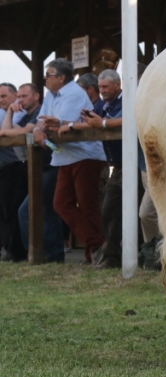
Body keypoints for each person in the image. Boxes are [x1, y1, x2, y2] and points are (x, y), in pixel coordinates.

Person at [32, 58, 108, 264]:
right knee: (62, 203)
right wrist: (38, 129)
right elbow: (42, 120)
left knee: (87, 205)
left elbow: (58, 126)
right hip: (65, 156)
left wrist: (43, 127)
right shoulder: (51, 94)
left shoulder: (73, 93)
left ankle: (95, 253)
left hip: (85, 155)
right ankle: (98, 247)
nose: (45, 79)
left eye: (49, 75)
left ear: (61, 78)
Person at [65, 69, 123, 268]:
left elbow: (125, 121)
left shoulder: (124, 102)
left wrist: (102, 123)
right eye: (100, 87)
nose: (102, 90)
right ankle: (112, 256)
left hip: (129, 163)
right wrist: (71, 125)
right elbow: (92, 124)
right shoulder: (106, 105)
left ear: (118, 85)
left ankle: (122, 254)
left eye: (106, 87)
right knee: (108, 210)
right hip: (114, 164)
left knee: (121, 210)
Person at [10, 84, 66, 262]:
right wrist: (11, 112)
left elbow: (11, 132)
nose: (20, 100)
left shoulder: (40, 112)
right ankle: (51, 256)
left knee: (27, 211)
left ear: (36, 96)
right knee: (48, 211)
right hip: (39, 168)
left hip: (50, 166)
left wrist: (10, 130)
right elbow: (7, 132)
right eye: (18, 97)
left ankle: (39, 254)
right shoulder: (26, 115)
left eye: (24, 96)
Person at [0, 82, 27, 261]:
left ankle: (14, 250)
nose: (0, 100)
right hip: (6, 166)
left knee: (11, 210)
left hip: (13, 166)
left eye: (3, 96)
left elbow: (8, 132)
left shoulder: (17, 113)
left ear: (15, 95)